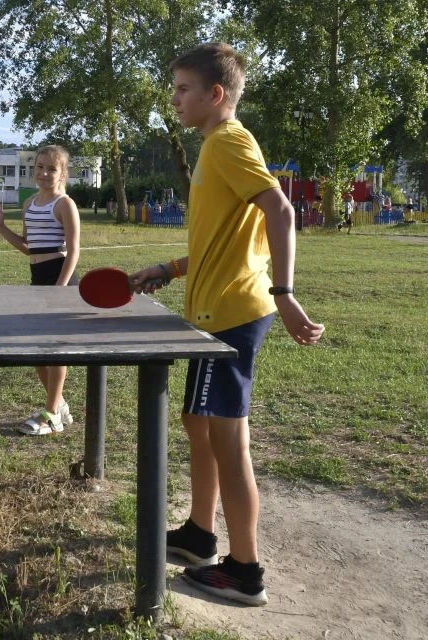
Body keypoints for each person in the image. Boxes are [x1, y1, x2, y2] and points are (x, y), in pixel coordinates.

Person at [130, 42, 325, 607]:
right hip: (215, 311)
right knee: (197, 422)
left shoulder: (229, 142)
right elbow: (224, 240)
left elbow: (281, 211)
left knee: (227, 438)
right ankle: (197, 535)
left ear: (216, 95)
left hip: (234, 317)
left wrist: (286, 294)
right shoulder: (217, 148)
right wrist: (168, 268)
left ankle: (243, 570)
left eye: (183, 89)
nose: (174, 100)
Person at [0, 145, 81, 436]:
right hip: (38, 280)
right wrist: (1, 227)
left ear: (63, 173)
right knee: (37, 353)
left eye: (51, 168)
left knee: (55, 350)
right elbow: (29, 247)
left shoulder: (65, 204)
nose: (43, 173)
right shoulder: (30, 205)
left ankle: (52, 414)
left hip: (60, 280)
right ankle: (60, 405)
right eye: (39, 167)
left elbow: (74, 251)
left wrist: (60, 289)